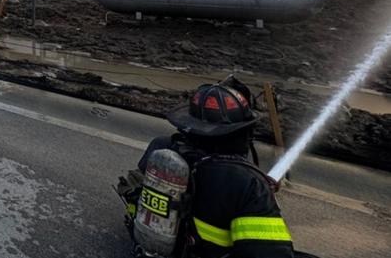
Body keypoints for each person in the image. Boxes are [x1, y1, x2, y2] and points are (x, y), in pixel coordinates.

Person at [119, 77, 296, 257]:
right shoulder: (247, 183)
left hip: (153, 247)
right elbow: (271, 253)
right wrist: (261, 195)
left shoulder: (161, 147)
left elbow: (134, 195)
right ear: (242, 132)